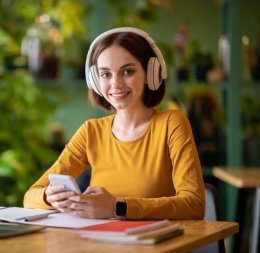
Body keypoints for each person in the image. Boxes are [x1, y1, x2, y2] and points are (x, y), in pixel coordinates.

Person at [24, 27, 205, 220]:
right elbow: (30, 198)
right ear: (95, 80)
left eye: (127, 71)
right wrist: (49, 197)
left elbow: (194, 205)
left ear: (151, 72)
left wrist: (117, 207)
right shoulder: (90, 132)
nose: (116, 84)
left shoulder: (171, 123)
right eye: (105, 74)